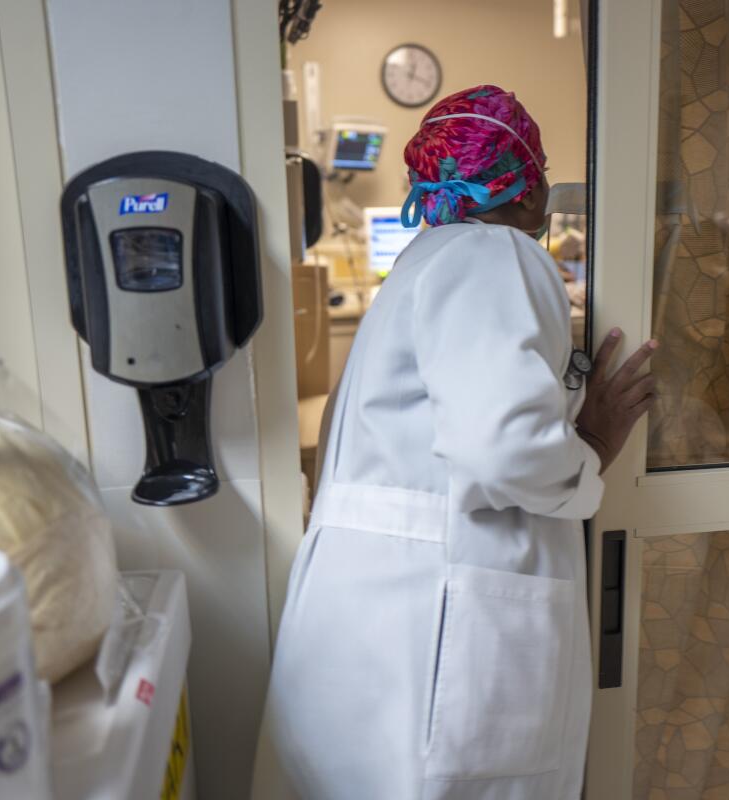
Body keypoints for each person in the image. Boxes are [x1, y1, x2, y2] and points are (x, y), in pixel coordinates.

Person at [262, 85, 657, 799]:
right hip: (434, 631)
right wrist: (592, 441)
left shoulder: (421, 262)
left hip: (368, 626)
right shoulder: (495, 254)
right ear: (531, 190)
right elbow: (501, 447)